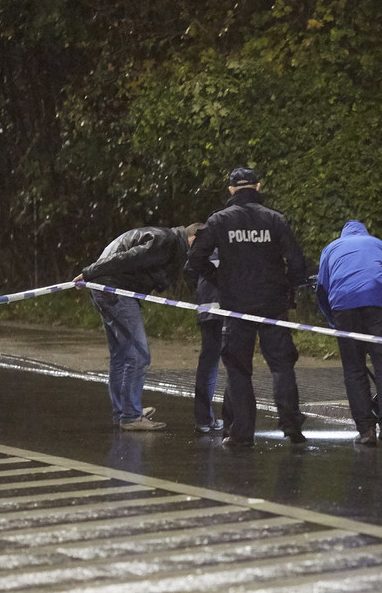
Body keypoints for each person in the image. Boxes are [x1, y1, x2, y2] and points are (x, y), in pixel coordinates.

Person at [185, 167, 308, 447]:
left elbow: (195, 259)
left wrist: (219, 281)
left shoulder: (219, 221)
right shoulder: (276, 219)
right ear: (258, 187)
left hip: (236, 306)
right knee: (281, 366)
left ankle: (241, 433)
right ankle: (291, 426)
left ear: (231, 190)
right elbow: (297, 262)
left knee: (239, 369)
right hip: (273, 304)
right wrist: (287, 286)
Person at [74, 222, 202, 431]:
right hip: (115, 291)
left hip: (106, 289)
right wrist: (89, 273)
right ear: (193, 239)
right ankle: (131, 416)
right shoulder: (166, 242)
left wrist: (93, 276)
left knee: (121, 355)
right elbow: (127, 258)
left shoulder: (165, 239)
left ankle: (123, 411)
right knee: (139, 354)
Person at [315, 220, 382, 448]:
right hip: (378, 304)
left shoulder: (331, 248)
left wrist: (333, 320)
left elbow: (322, 288)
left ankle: (366, 430)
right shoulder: (378, 243)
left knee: (354, 368)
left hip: (344, 306)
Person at [184, 242, 224, 434]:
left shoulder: (207, 245)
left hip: (207, 308)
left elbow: (189, 270)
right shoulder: (240, 242)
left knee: (208, 363)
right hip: (232, 309)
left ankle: (203, 420)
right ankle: (234, 423)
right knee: (237, 365)